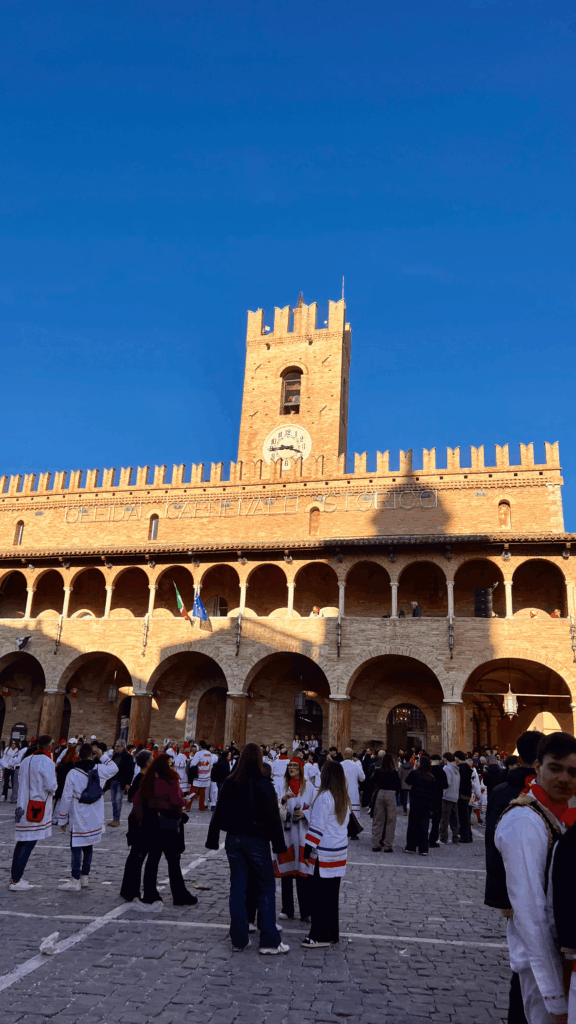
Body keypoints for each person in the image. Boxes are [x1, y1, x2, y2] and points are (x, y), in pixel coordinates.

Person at [495, 732, 576, 1024]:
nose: (564, 778)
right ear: (538, 767)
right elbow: (530, 913)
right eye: (555, 768)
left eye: (573, 772)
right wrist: (554, 995)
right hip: (541, 965)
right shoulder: (524, 820)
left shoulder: (559, 813)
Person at [206, 743, 289, 955]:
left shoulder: (230, 782)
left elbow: (218, 812)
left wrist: (213, 839)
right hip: (257, 839)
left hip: (234, 839)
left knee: (237, 887)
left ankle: (239, 939)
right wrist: (279, 845)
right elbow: (273, 816)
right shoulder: (263, 783)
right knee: (266, 887)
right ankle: (269, 940)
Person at [484, 729, 544, 1024]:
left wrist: (499, 895)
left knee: (523, 965)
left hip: (516, 888)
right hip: (538, 889)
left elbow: (491, 845)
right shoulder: (521, 791)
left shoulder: (501, 790)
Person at [133, 752, 197, 908]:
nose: (174, 767)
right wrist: (185, 800)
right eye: (171, 764)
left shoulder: (148, 780)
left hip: (153, 824)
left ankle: (150, 894)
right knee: (173, 861)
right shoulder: (170, 781)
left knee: (153, 860)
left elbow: (137, 801)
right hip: (169, 825)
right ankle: (179, 894)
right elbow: (176, 800)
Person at [302, 760, 350, 949]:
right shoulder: (343, 797)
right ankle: (331, 933)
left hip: (324, 853)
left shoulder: (324, 798)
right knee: (331, 896)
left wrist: (307, 849)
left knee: (319, 897)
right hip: (339, 852)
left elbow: (317, 827)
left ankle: (319, 936)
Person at [58, 742, 119, 891]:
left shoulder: (73, 773)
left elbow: (66, 797)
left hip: (78, 812)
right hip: (94, 813)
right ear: (92, 755)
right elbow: (114, 768)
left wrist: (62, 818)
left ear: (79, 755)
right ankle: (85, 877)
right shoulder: (99, 769)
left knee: (76, 847)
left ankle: (75, 879)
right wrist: (102, 756)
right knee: (88, 846)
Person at [9, 735, 57, 891]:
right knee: (29, 842)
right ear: (49, 746)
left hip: (23, 804)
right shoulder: (47, 762)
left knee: (21, 841)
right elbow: (51, 786)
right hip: (37, 805)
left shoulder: (26, 760)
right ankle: (16, 879)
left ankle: (15, 876)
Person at [274, 757, 315, 922]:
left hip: (303, 834)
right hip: (287, 835)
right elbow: (275, 805)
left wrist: (306, 813)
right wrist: (283, 799)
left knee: (303, 873)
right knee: (287, 872)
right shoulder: (281, 785)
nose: (291, 768)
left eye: (295, 766)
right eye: (290, 765)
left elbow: (315, 807)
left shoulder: (309, 787)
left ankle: (306, 911)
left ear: (301, 769)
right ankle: (287, 909)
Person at [120, 749, 154, 903]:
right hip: (140, 821)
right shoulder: (141, 779)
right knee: (137, 856)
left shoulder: (142, 778)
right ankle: (131, 890)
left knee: (135, 856)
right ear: (147, 763)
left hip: (139, 819)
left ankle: (128, 888)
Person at [404, 755, 436, 856]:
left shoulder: (415, 773)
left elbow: (407, 781)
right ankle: (423, 848)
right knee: (424, 825)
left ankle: (411, 846)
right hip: (426, 803)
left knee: (413, 824)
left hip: (415, 801)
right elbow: (433, 791)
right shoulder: (431, 777)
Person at [371, 752, 400, 852]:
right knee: (391, 821)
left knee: (378, 819)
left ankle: (376, 843)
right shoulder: (394, 772)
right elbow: (398, 786)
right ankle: (388, 845)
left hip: (380, 793)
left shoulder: (378, 771)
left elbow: (371, 782)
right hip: (391, 794)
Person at [108, 739, 134, 828]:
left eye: (118, 746)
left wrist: (128, 783)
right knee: (113, 801)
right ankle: (114, 818)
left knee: (118, 800)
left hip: (121, 781)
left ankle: (117, 819)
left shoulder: (128, 756)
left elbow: (131, 771)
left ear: (123, 747)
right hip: (113, 780)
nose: (116, 747)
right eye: (115, 746)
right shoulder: (115, 755)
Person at [428, 754, 449, 848]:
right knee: (436, 821)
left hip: (427, 797)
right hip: (438, 798)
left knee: (424, 819)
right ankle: (432, 840)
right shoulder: (441, 771)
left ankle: (421, 839)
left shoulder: (427, 770)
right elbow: (445, 785)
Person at [439, 752, 460, 845]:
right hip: (455, 795)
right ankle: (455, 837)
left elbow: (447, 782)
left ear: (445, 759)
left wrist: (443, 791)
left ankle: (443, 838)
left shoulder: (446, 768)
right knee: (454, 818)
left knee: (444, 818)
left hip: (447, 795)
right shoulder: (457, 769)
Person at [341, 748, 365, 822]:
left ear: (344, 754)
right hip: (353, 793)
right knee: (354, 818)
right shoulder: (356, 765)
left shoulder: (339, 765)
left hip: (342, 793)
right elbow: (362, 778)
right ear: (352, 755)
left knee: (342, 816)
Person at [454, 750, 473, 843]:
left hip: (461, 794)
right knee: (466, 816)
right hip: (467, 794)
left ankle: (464, 836)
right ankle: (468, 835)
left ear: (457, 758)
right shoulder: (467, 768)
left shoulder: (460, 769)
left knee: (462, 817)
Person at [189, 741, 214, 811]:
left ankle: (188, 806)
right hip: (206, 775)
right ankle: (201, 807)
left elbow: (193, 763)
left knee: (192, 791)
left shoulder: (198, 753)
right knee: (202, 793)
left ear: (200, 746)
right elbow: (210, 763)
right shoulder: (209, 753)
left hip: (198, 775)